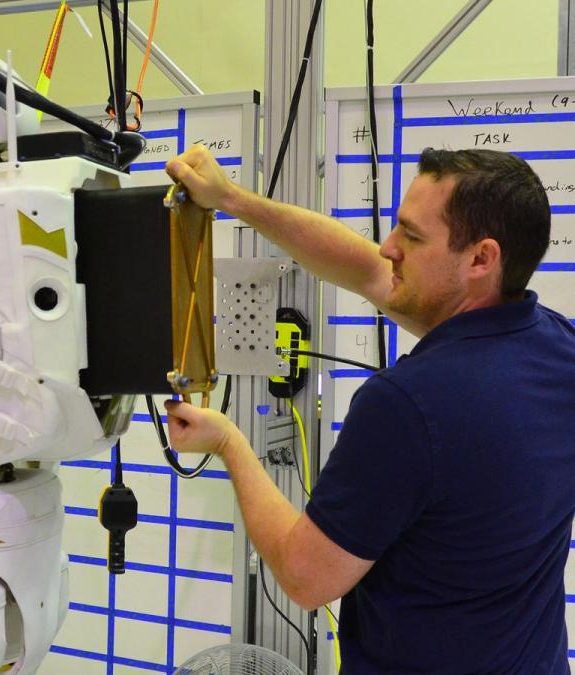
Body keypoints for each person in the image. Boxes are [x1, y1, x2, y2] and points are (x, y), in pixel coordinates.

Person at [164, 145, 575, 673]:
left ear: (480, 259)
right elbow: (362, 268)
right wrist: (232, 200)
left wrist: (228, 442)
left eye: (412, 236)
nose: (387, 247)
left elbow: (305, 577)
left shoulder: (405, 406)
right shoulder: (560, 350)